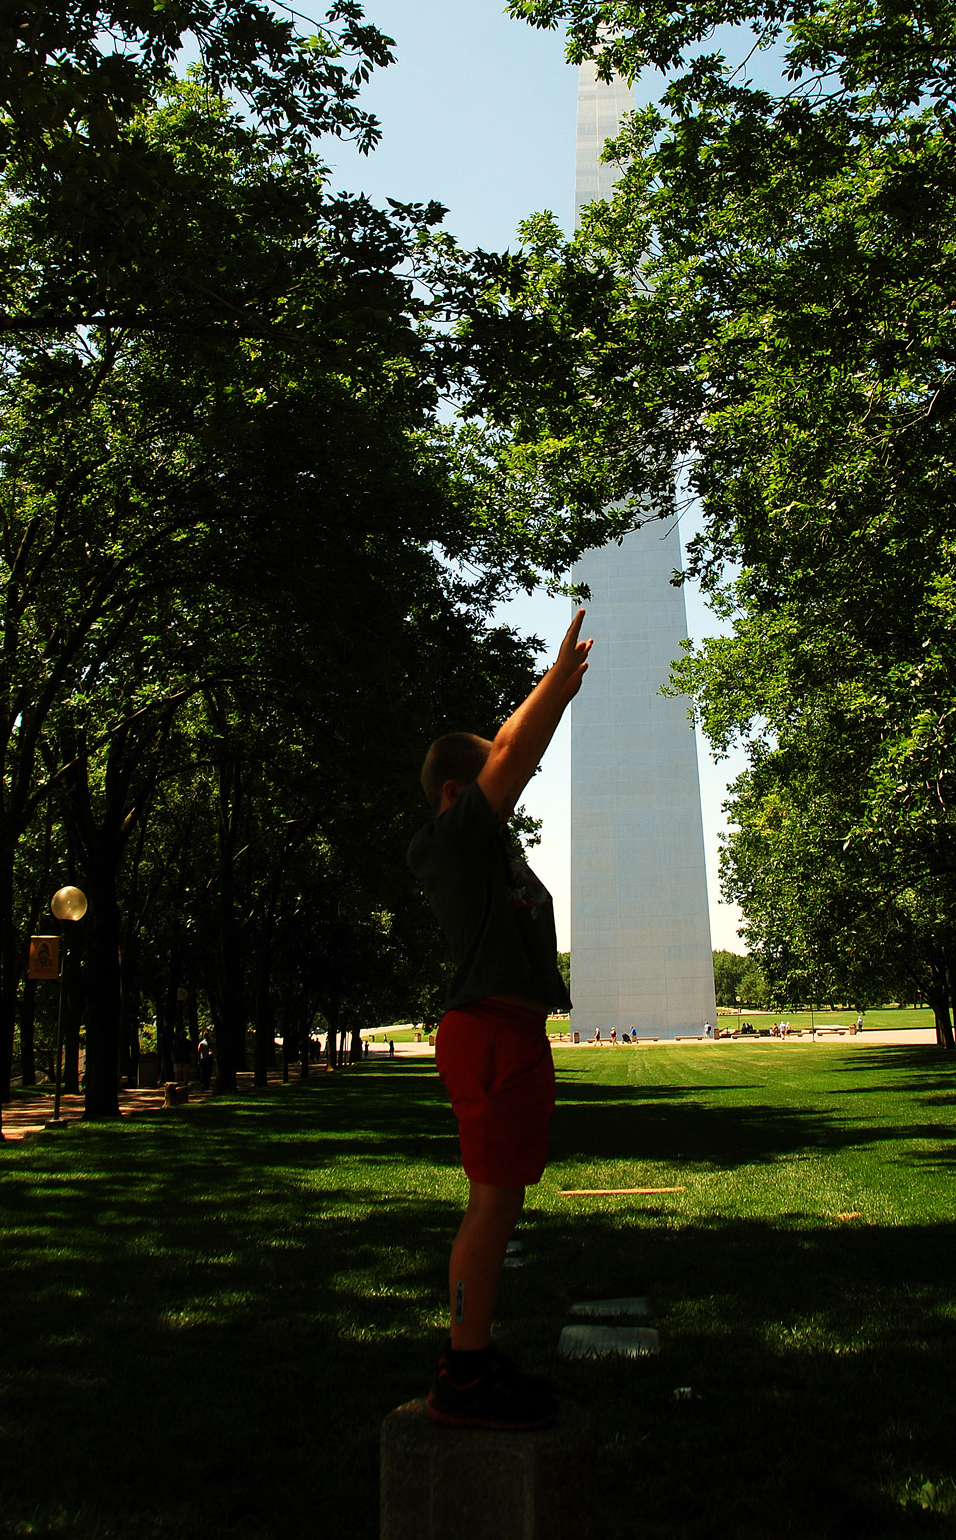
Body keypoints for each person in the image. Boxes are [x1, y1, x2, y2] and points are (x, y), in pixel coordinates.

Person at [408, 606, 591, 1430]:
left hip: (511, 1032)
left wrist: (541, 699)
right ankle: (465, 1371)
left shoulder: (483, 848)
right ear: (457, 793)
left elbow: (507, 754)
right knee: (491, 1202)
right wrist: (556, 686)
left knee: (502, 1198)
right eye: (493, 789)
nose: (511, 800)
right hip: (486, 1031)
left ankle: (474, 1355)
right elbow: (514, 754)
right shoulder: (453, 839)